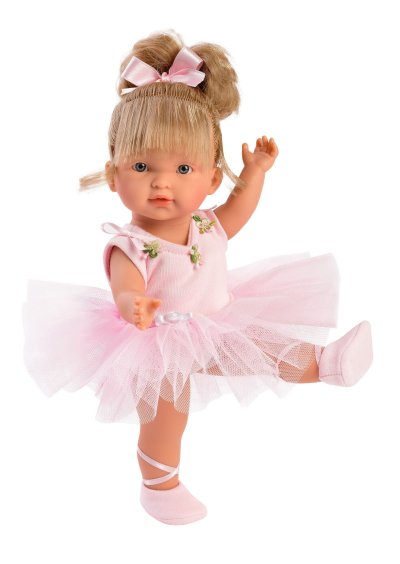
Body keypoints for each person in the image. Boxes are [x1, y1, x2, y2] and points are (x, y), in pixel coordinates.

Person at [22, 30, 373, 526]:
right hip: (158, 342)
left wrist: (255, 172)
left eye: (183, 167)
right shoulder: (131, 244)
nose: (162, 182)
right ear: (115, 175)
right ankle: (159, 484)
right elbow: (125, 284)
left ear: (210, 177)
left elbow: (238, 210)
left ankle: (328, 364)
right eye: (142, 165)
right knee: (167, 417)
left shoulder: (207, 225)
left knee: (263, 347)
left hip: (218, 322)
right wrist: (133, 304)